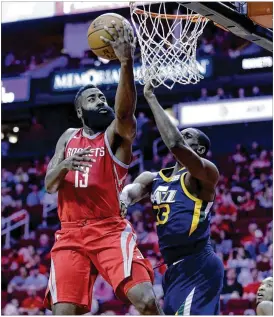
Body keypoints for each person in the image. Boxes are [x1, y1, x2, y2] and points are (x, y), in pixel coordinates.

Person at [43, 21, 163, 315]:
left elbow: (124, 112)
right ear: (80, 110)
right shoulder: (69, 137)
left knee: (146, 300)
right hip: (70, 232)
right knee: (63, 312)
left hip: (107, 228)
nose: (100, 101)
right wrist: (65, 165)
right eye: (92, 99)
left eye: (102, 97)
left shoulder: (115, 135)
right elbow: (49, 183)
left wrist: (126, 62)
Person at [120, 82, 224, 315]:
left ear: (199, 150)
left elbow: (175, 144)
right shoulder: (154, 177)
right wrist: (123, 199)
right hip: (173, 268)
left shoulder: (205, 174)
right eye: (181, 133)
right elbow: (132, 191)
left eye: (187, 136)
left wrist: (151, 98)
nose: (179, 136)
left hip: (198, 263)